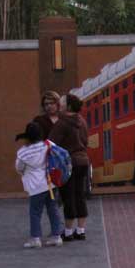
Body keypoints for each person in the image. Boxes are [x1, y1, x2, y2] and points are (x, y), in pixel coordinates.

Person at [15, 122, 63, 249]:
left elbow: (19, 168)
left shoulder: (23, 152)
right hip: (50, 183)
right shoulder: (48, 144)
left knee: (35, 212)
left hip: (35, 186)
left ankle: (35, 238)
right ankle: (56, 236)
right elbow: (57, 154)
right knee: (53, 209)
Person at [49, 94, 90, 241]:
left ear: (69, 106)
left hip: (68, 164)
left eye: (62, 102)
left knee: (68, 197)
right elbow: (86, 141)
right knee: (80, 195)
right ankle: (81, 230)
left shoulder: (62, 123)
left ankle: (67, 232)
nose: (60, 104)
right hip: (83, 161)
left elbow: (51, 143)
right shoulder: (82, 121)